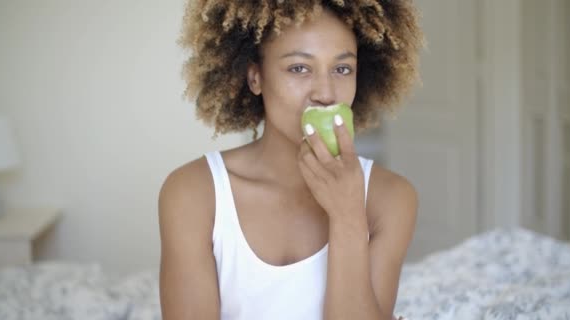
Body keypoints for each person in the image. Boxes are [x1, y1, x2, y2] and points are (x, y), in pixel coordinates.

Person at [159, 1, 424, 319]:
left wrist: (348, 216)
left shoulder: (391, 198)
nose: (325, 94)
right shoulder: (192, 193)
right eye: (299, 68)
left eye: (342, 69)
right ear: (255, 78)